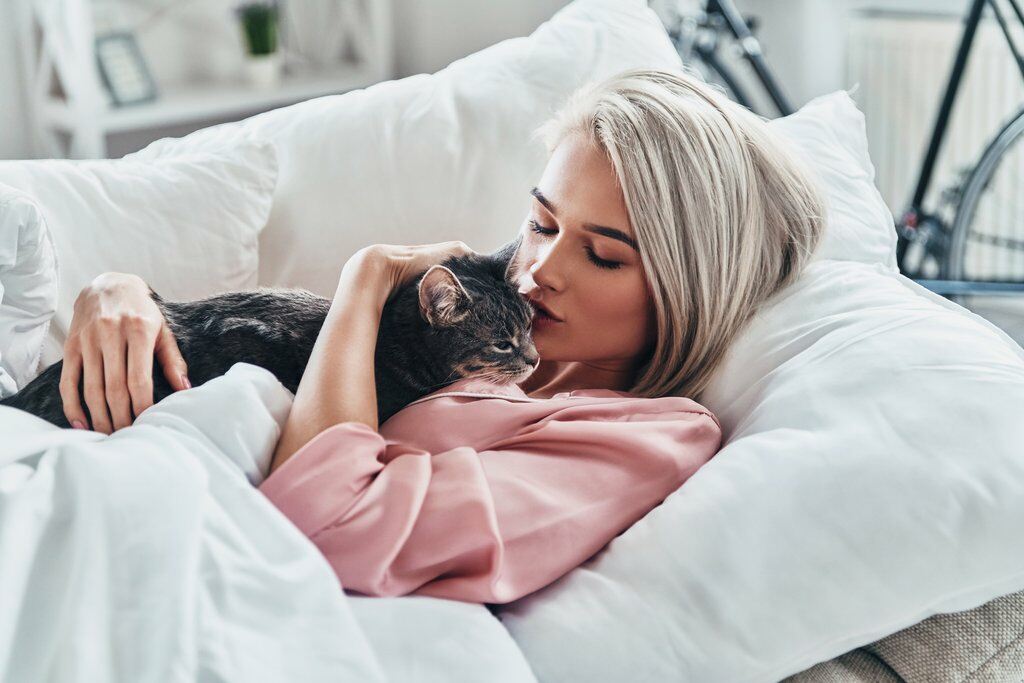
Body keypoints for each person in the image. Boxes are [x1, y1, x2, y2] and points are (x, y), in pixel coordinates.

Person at [58, 68, 825, 603]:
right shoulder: (478, 321)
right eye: (540, 222)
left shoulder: (649, 437)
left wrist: (368, 274)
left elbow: (330, 525)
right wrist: (122, 294)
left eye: (603, 254)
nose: (539, 270)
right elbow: (279, 335)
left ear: (691, 284)